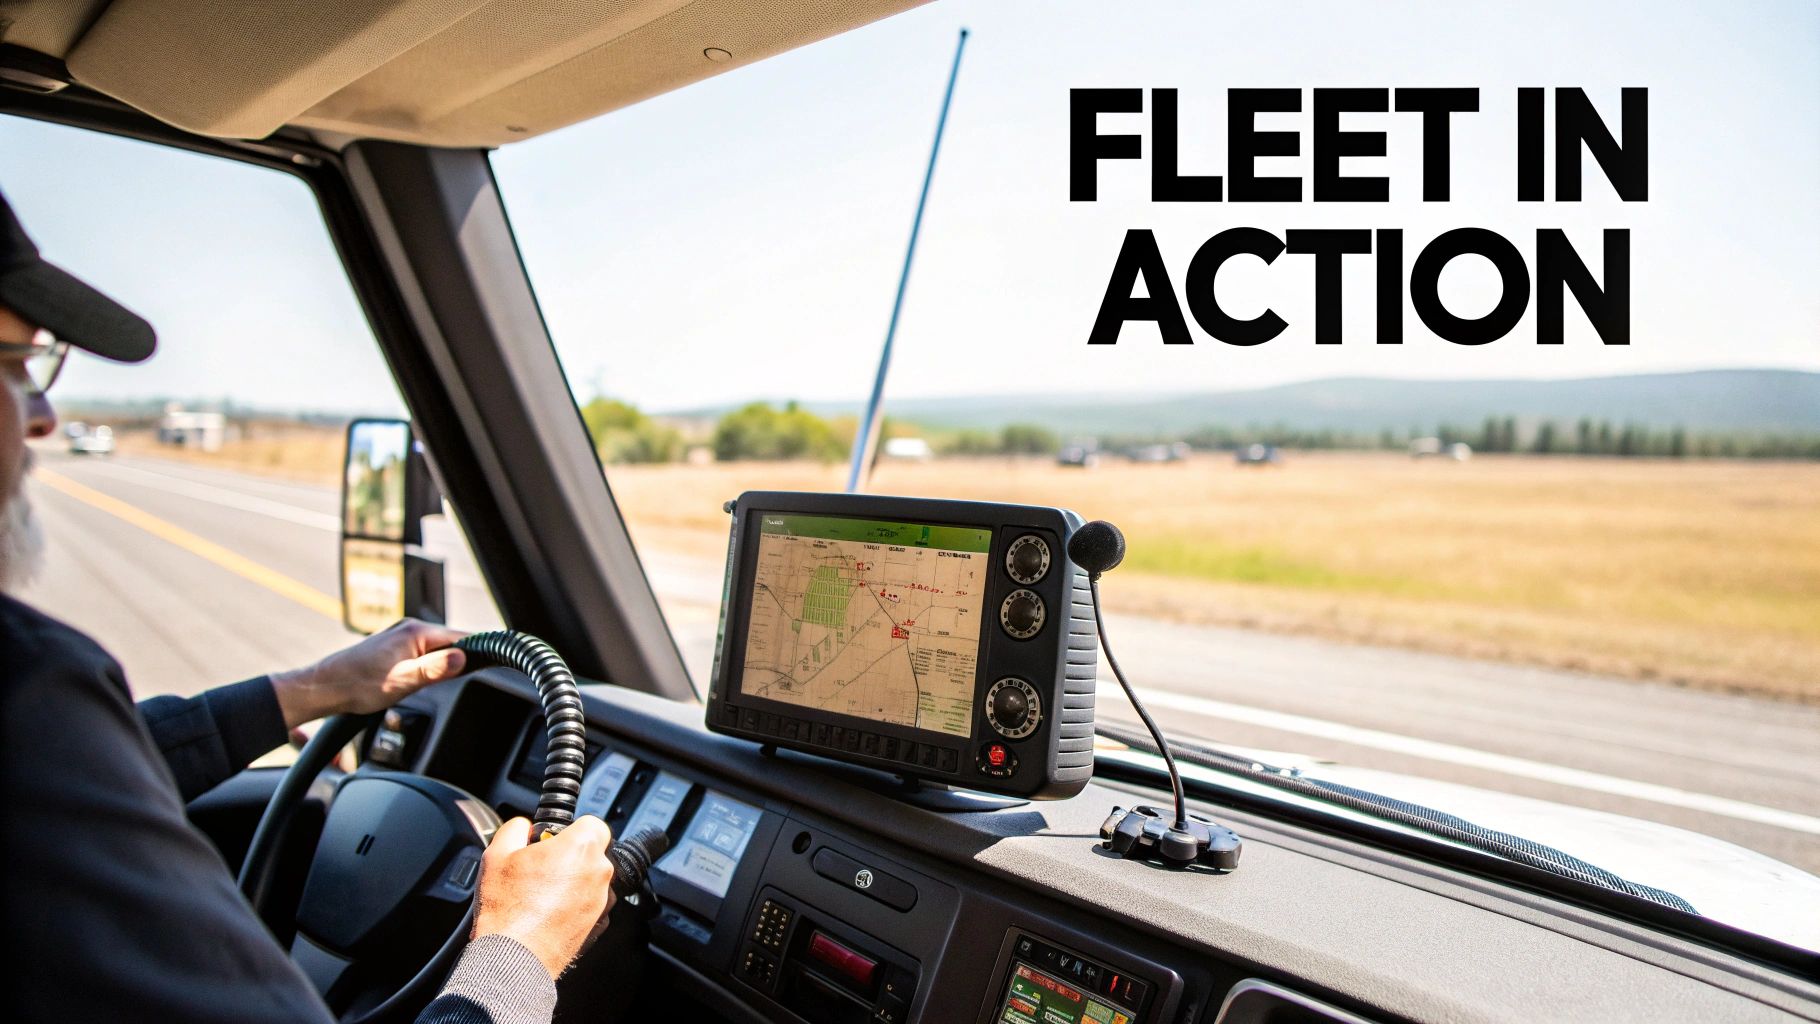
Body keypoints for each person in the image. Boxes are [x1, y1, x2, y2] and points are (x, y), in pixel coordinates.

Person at [0, 189, 617, 1023]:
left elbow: (87, 769)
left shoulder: (36, 715)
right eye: (12, 367)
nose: (42, 415)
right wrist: (521, 949)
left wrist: (314, 690)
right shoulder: (26, 685)